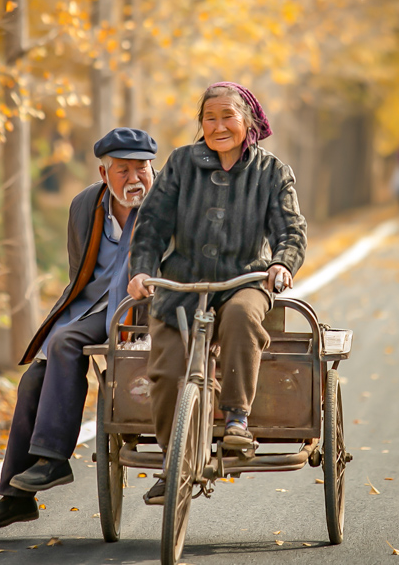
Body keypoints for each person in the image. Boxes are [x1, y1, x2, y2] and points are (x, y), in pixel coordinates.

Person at [127, 82, 307, 506]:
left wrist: (282, 264)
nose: (218, 126)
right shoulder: (181, 163)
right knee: (166, 372)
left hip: (244, 280)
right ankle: (174, 463)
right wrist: (142, 271)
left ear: (248, 122)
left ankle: (238, 419)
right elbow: (151, 226)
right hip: (182, 284)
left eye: (228, 116)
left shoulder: (272, 172)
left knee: (242, 317)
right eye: (210, 118)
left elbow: (291, 230)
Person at [0, 127, 157, 529]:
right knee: (34, 378)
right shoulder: (85, 205)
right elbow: (81, 271)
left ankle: (53, 456)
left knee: (63, 342)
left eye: (141, 168)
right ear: (103, 173)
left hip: (148, 310)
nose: (134, 178)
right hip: (95, 306)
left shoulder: (167, 202)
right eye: (123, 170)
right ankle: (17, 497)